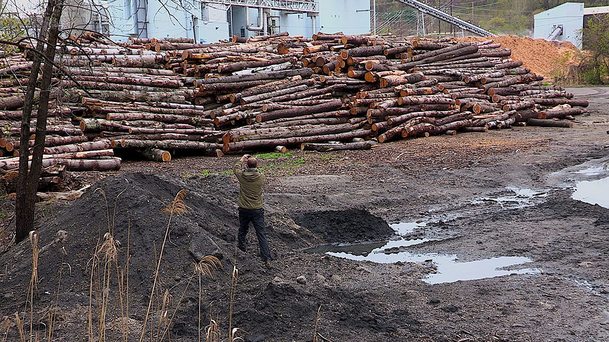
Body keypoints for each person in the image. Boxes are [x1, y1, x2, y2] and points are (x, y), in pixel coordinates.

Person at [233, 154, 273, 264]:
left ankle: (241, 250)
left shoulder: (241, 176)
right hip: (257, 210)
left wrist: (242, 159)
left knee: (242, 230)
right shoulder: (261, 177)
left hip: (244, 209)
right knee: (261, 234)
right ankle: (266, 257)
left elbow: (235, 168)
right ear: (257, 165)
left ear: (246, 165)